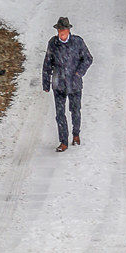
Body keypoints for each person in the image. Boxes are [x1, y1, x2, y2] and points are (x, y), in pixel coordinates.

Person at [42, 16, 93, 151]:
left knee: (75, 110)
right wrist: (46, 82)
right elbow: (47, 63)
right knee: (60, 114)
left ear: (69, 30)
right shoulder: (53, 43)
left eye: (64, 32)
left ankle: (76, 134)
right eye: (60, 32)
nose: (62, 34)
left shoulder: (78, 42)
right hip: (58, 83)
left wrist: (78, 74)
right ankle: (63, 141)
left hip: (74, 83)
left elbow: (88, 59)